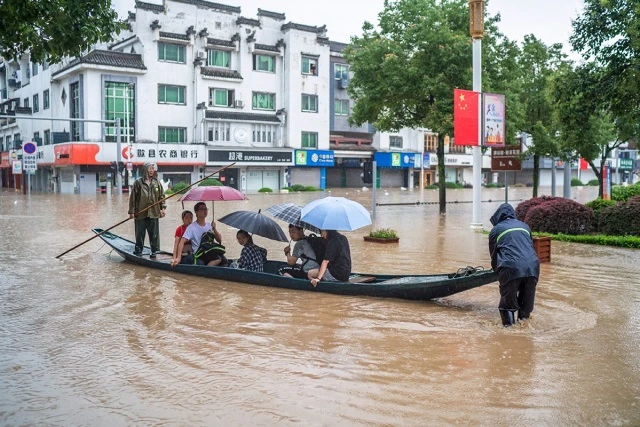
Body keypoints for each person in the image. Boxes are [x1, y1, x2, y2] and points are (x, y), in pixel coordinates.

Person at [488, 203, 540, 327]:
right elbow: (528, 248)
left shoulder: (496, 230)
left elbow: (494, 255)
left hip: (510, 268)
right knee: (526, 305)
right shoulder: (525, 227)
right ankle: (524, 331)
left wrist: (497, 272)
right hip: (533, 267)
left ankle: (510, 336)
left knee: (508, 306)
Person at [128, 162, 166, 258]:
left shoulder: (157, 183)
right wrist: (132, 211)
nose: (151, 170)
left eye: (153, 168)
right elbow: (133, 198)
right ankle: (138, 250)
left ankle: (154, 251)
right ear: (145, 169)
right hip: (141, 213)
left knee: (154, 234)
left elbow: (162, 197)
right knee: (139, 233)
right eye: (149, 168)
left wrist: (163, 208)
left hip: (154, 213)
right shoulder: (138, 182)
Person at [170, 202, 223, 267]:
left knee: (224, 261)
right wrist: (178, 258)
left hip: (209, 252)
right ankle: (207, 271)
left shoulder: (210, 225)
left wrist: (214, 229)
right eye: (202, 209)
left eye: (206, 209)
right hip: (199, 254)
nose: (205, 211)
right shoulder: (191, 227)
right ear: (196, 212)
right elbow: (181, 242)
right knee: (217, 259)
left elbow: (219, 240)